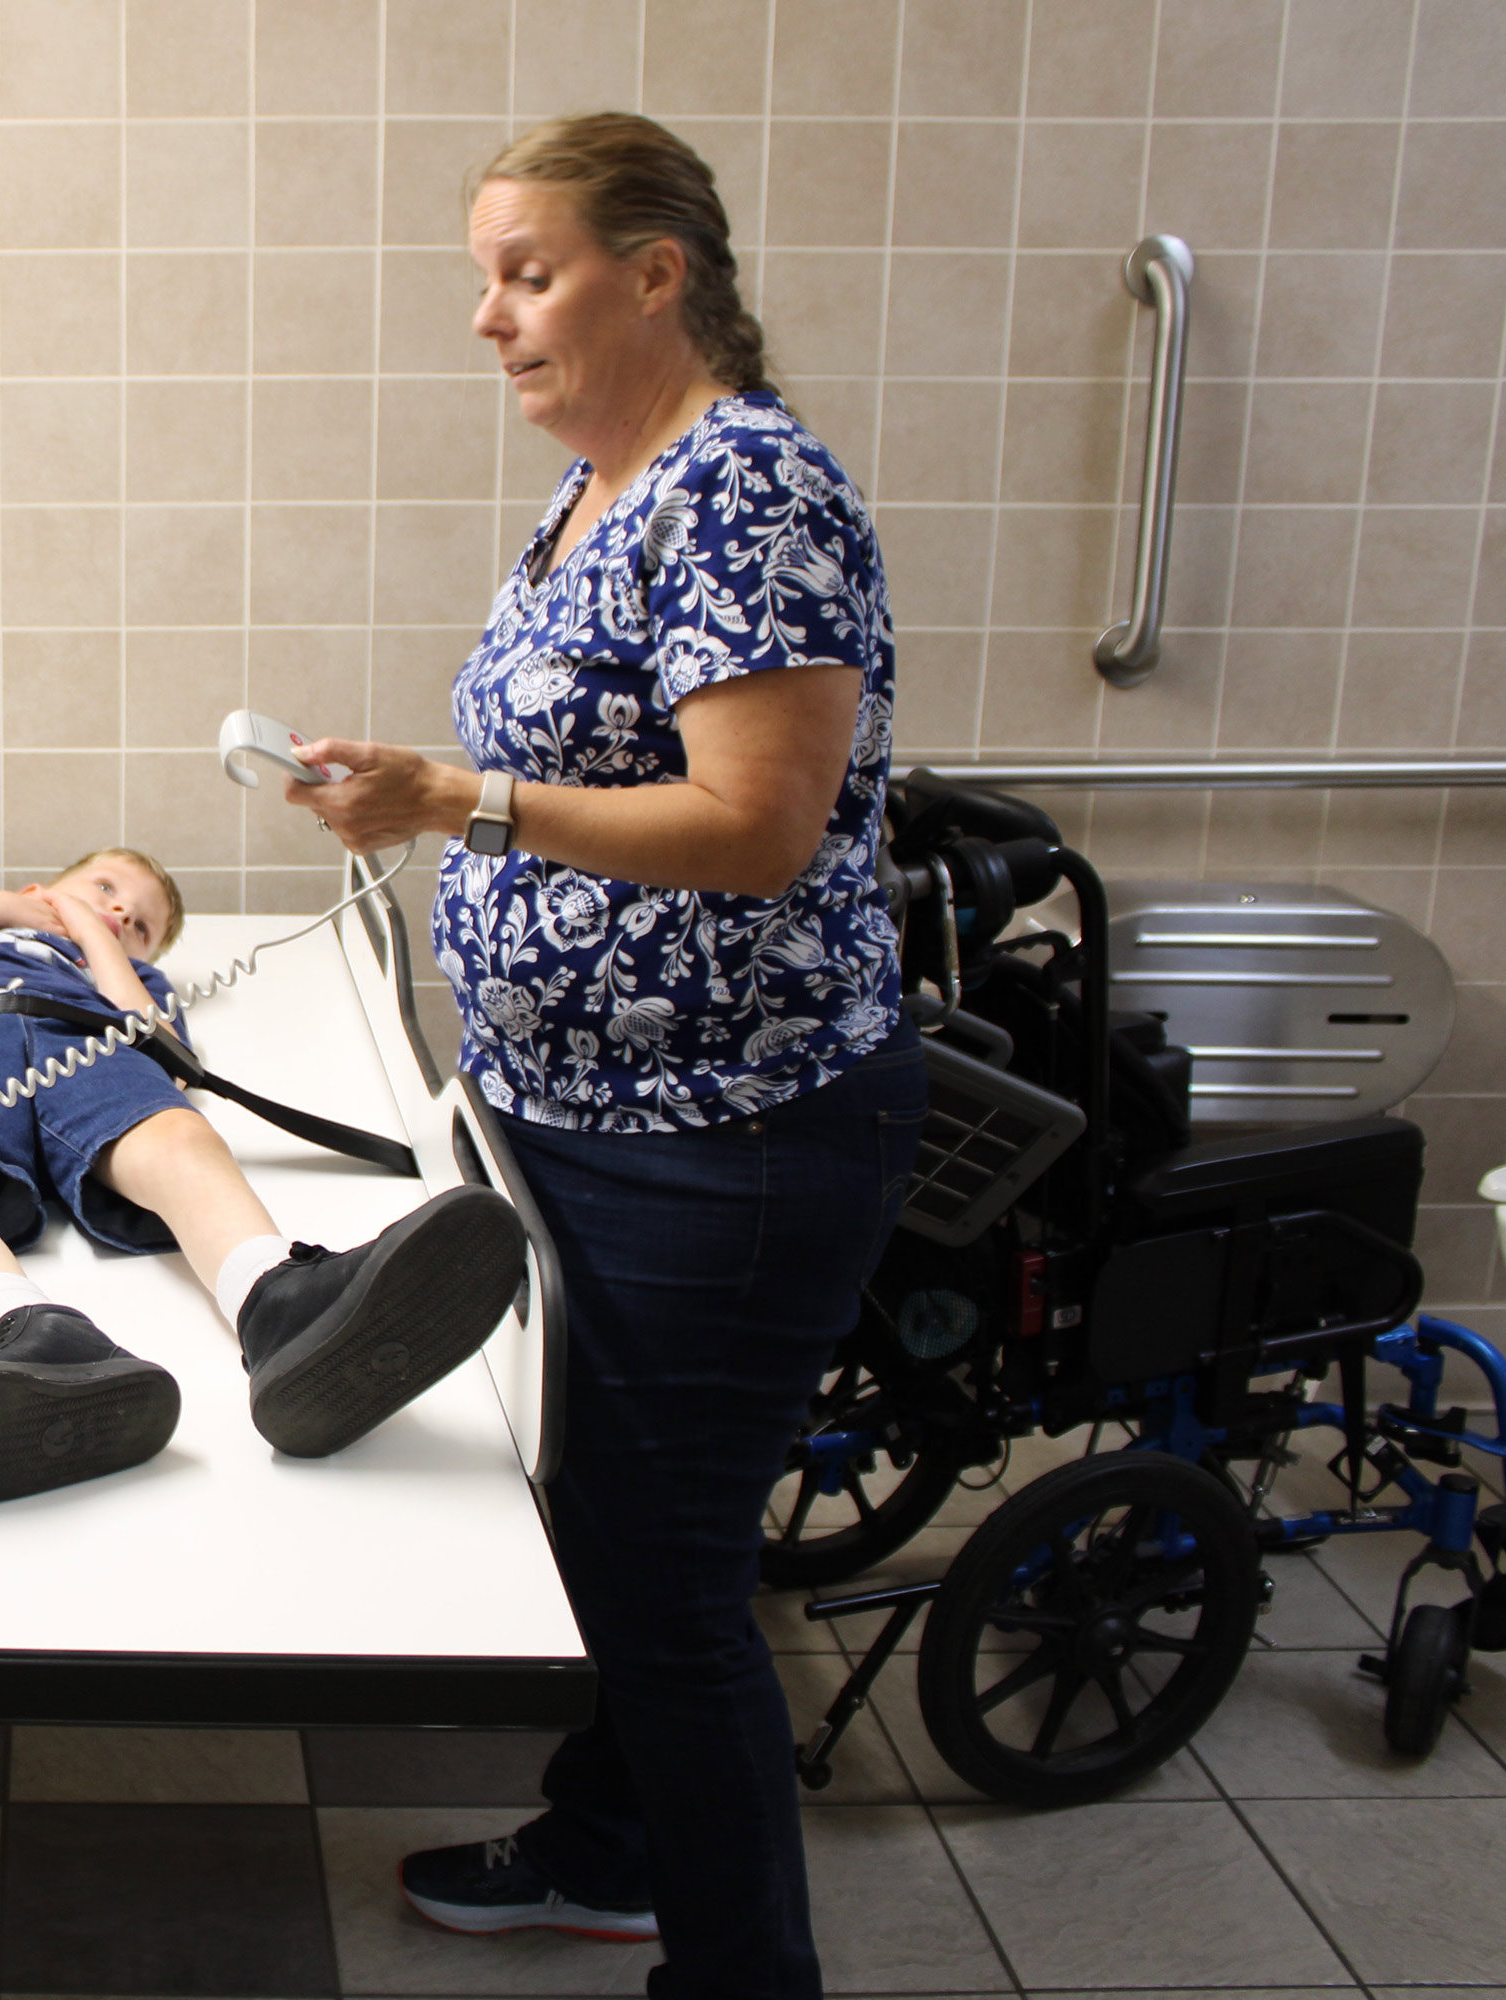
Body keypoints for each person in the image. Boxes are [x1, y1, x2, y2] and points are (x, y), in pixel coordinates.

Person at [280, 115, 927, 2000]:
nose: (488, 318)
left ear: (658, 273)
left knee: (662, 1587)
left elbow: (753, 827)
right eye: (485, 276)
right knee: (614, 1537)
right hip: (587, 1117)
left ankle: (737, 1975)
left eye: (527, 270)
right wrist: (426, 804)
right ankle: (610, 1847)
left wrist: (461, 800)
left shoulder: (746, 488)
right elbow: (590, 779)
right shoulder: (595, 494)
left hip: (730, 1135)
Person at [0, 848, 528, 1505]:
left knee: (177, 1138)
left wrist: (96, 943)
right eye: (105, 889)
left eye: (143, 925)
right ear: (40, 888)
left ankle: (282, 1300)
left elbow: (168, 1051)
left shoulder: (126, 976)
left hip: (83, 1038)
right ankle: (30, 1340)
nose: (123, 912)